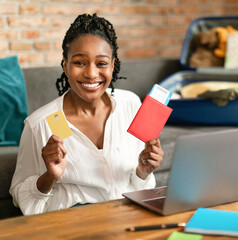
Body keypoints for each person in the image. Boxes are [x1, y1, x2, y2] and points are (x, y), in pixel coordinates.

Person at [10, 13, 163, 215]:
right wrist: (50, 176)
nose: (91, 73)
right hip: (75, 225)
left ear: (112, 65)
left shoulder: (131, 104)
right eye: (80, 62)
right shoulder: (40, 124)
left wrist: (142, 172)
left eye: (101, 63)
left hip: (126, 219)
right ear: (65, 65)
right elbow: (21, 198)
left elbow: (138, 187)